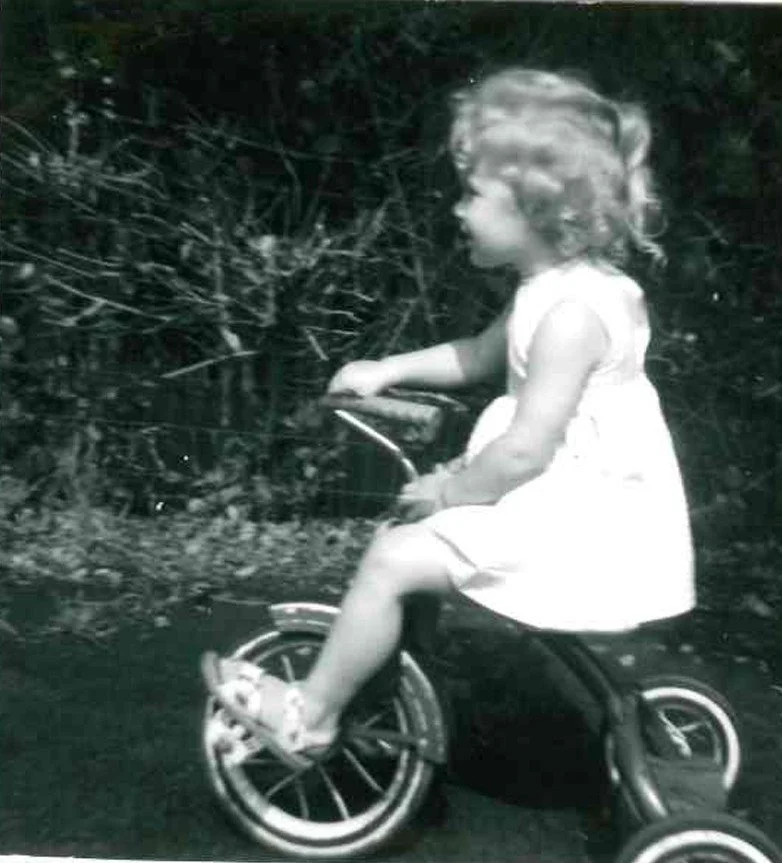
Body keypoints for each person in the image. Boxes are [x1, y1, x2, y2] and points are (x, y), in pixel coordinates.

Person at [202, 67, 695, 765]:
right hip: (562, 506)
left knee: (391, 557)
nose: (458, 210)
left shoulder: (573, 316)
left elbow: (525, 451)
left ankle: (308, 718)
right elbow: (477, 355)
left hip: (580, 529)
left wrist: (449, 489)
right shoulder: (554, 290)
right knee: (411, 539)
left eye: (472, 194)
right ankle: (399, 675)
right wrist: (389, 368)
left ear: (539, 207)